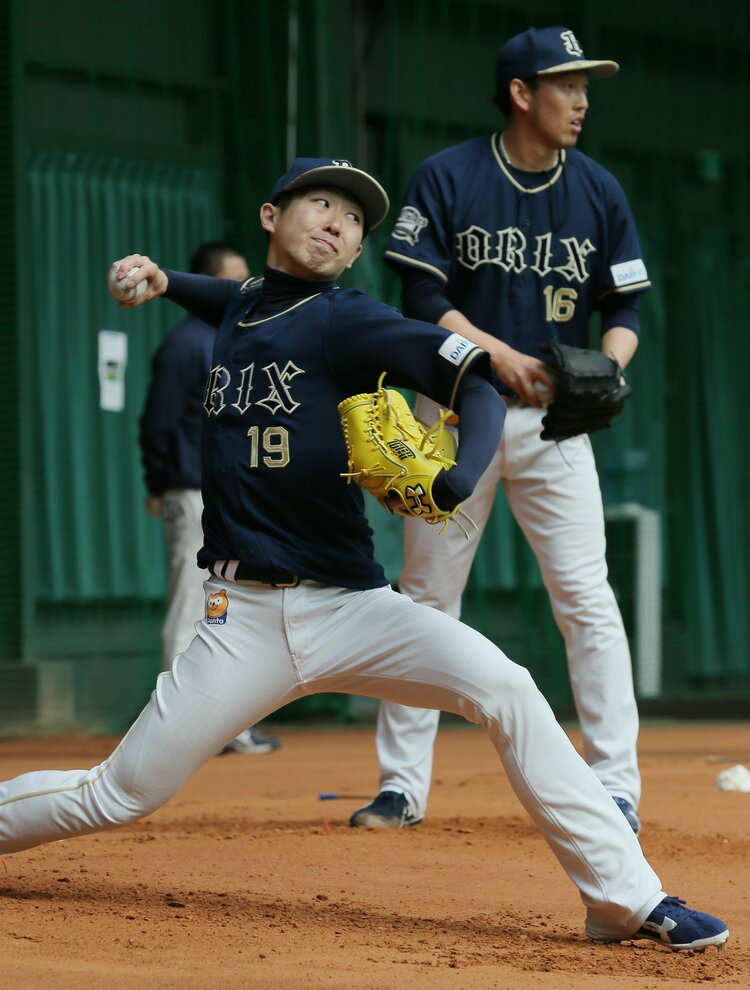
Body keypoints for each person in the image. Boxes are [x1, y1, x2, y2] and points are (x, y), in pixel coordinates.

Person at [0, 158, 728, 951]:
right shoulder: (244, 307)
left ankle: (625, 900)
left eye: (353, 221)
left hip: (353, 609)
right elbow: (235, 297)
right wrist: (164, 278)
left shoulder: (350, 318)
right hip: (240, 619)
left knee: (509, 690)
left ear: (354, 255)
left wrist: (458, 474)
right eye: (320, 203)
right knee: (120, 794)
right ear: (270, 216)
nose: (337, 223)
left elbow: (478, 382)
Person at [351, 26, 648, 834]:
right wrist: (501, 355)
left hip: (556, 424)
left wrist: (611, 363)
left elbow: (623, 307)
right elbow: (419, 300)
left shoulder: (598, 190)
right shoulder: (448, 177)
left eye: (586, 86)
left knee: (586, 598)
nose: (582, 100)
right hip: (451, 412)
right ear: (522, 93)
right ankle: (401, 785)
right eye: (566, 85)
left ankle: (615, 785)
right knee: (426, 598)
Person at [139, 241, 281, 756]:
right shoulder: (187, 343)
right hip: (191, 489)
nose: (246, 288)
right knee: (189, 604)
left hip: (230, 494)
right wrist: (158, 483)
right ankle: (174, 728)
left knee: (226, 608)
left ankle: (225, 726)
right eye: (234, 278)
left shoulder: (238, 342)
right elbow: (157, 421)